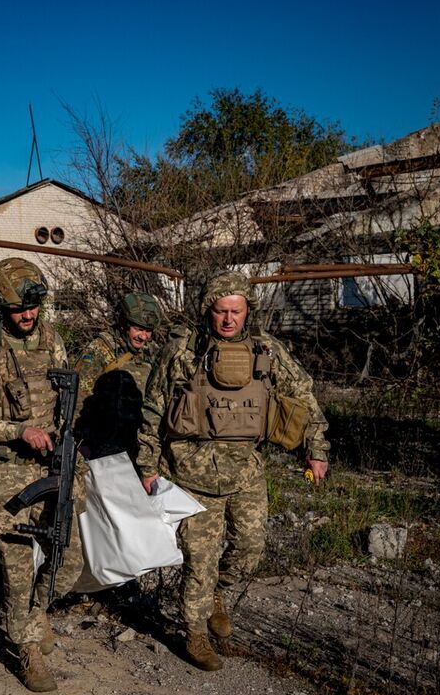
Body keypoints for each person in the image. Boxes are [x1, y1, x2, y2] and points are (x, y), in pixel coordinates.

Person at [136, 270, 330, 671]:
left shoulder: (267, 351)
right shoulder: (181, 353)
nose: (228, 319)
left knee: (250, 548)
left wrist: (317, 449)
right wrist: (147, 465)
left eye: (236, 311)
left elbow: (302, 397)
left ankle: (217, 595)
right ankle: (194, 634)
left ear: (247, 311)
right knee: (199, 558)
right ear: (208, 310)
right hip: (193, 474)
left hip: (245, 471)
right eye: (221, 311)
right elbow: (153, 410)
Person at [0, 257, 85, 693]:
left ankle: (35, 612)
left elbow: (66, 404)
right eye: (18, 310)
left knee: (70, 559)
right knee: (17, 565)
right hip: (6, 469)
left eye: (34, 308)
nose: (28, 316)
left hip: (53, 466)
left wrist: (68, 444)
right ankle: (24, 648)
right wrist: (17, 431)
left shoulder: (52, 339)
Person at [73, 292, 164, 461]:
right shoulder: (101, 349)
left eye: (148, 331)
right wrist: (81, 441)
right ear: (123, 323)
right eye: (138, 328)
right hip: (103, 445)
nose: (143, 336)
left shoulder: (151, 352)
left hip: (138, 444)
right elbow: (79, 398)